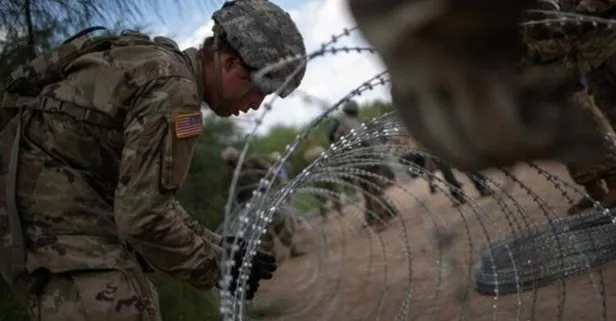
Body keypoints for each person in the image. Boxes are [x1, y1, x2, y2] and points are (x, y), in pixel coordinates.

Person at [0, 0, 307, 319]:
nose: (257, 105)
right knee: (126, 308)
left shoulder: (167, 73)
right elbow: (142, 217)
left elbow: (149, 197)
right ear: (230, 64)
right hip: (53, 216)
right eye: (261, 89)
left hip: (51, 205)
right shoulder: (175, 92)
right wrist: (220, 267)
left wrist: (219, 247)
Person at [222, 147, 306, 259]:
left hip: (267, 197)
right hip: (253, 204)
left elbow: (268, 172)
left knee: (280, 223)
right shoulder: (232, 176)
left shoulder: (252, 162)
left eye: (235, 158)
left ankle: (292, 248)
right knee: (264, 232)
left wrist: (273, 184)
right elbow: (237, 195)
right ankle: (271, 256)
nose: (235, 161)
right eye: (232, 161)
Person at [329, 100, 397, 231]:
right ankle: (379, 221)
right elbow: (369, 143)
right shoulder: (355, 124)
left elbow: (339, 147)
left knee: (366, 192)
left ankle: (371, 218)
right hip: (368, 162)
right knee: (375, 191)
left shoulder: (340, 127)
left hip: (355, 165)